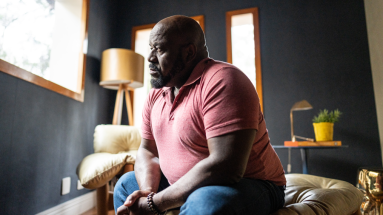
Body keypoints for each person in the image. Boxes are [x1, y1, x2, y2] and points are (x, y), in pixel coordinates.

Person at [114, 15, 286, 215]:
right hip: (184, 183)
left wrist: (156, 203)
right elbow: (148, 152)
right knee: (126, 185)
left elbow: (226, 167)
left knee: (205, 202)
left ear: (188, 53)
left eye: (159, 49)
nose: (150, 58)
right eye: (150, 48)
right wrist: (147, 194)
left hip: (253, 184)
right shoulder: (156, 95)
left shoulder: (223, 80)